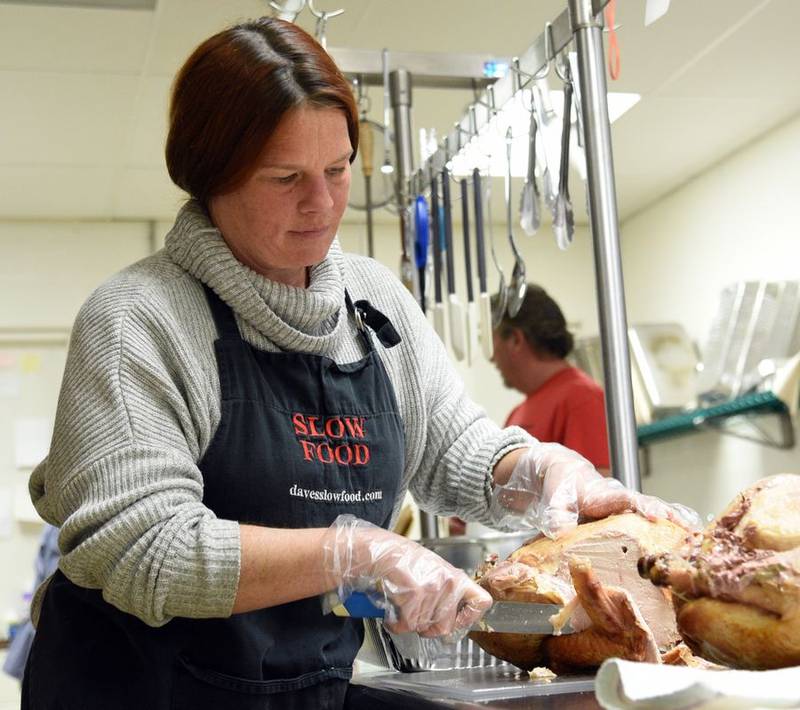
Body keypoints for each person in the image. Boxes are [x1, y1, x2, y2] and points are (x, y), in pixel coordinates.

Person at [23, 18, 687, 710]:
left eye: (338, 170)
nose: (323, 204)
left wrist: (540, 475)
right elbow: (147, 550)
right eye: (286, 178)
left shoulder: (376, 301)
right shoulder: (139, 319)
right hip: (143, 692)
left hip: (302, 689)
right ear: (210, 175)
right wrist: (353, 555)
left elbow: (456, 449)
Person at [492, 284, 611, 474]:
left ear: (515, 340)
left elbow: (599, 491)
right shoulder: (517, 414)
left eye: (493, 340)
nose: (492, 357)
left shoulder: (582, 399)